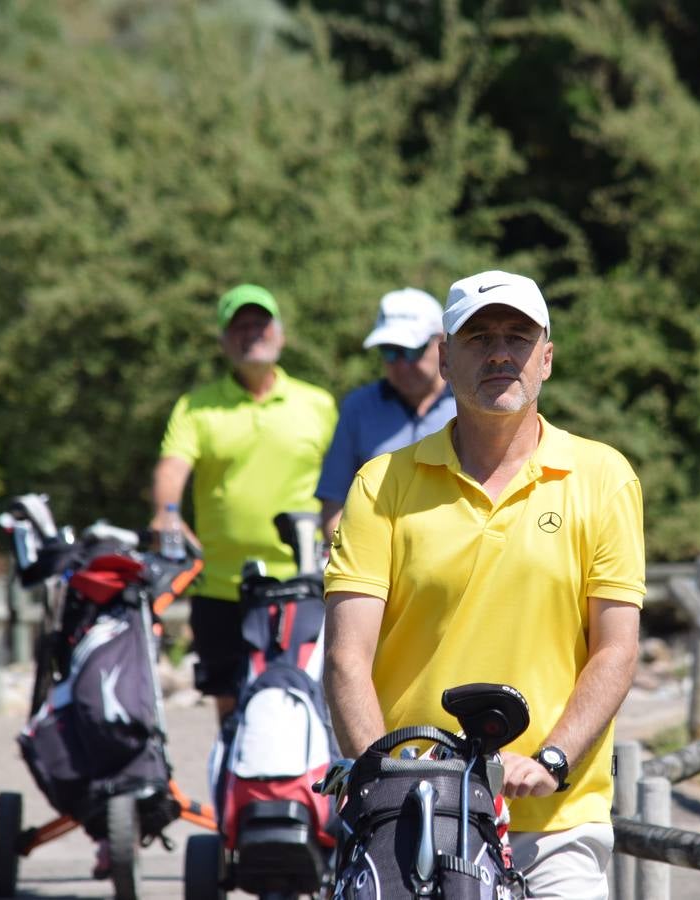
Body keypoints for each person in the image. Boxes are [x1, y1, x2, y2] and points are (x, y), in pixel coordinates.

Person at [323, 270, 645, 900]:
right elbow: (345, 657)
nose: (500, 353)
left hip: (553, 821)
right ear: (444, 358)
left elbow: (616, 649)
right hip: (413, 812)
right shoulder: (380, 484)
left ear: (546, 357)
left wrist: (551, 761)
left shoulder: (604, 477)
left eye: (518, 337)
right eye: (478, 338)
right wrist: (382, 782)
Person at [152, 283, 336, 723]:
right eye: (240, 326)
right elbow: (172, 470)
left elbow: (346, 482)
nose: (252, 333)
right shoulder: (196, 407)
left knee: (306, 705)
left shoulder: (318, 404)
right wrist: (166, 514)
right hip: (221, 587)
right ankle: (235, 792)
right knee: (232, 712)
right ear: (223, 341)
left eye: (261, 323)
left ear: (281, 335)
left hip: (303, 584)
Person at [315, 287, 456, 539]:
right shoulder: (358, 408)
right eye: (389, 351)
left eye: (412, 350)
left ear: (442, 344)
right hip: (374, 566)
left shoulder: (472, 404)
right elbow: (333, 508)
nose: (401, 364)